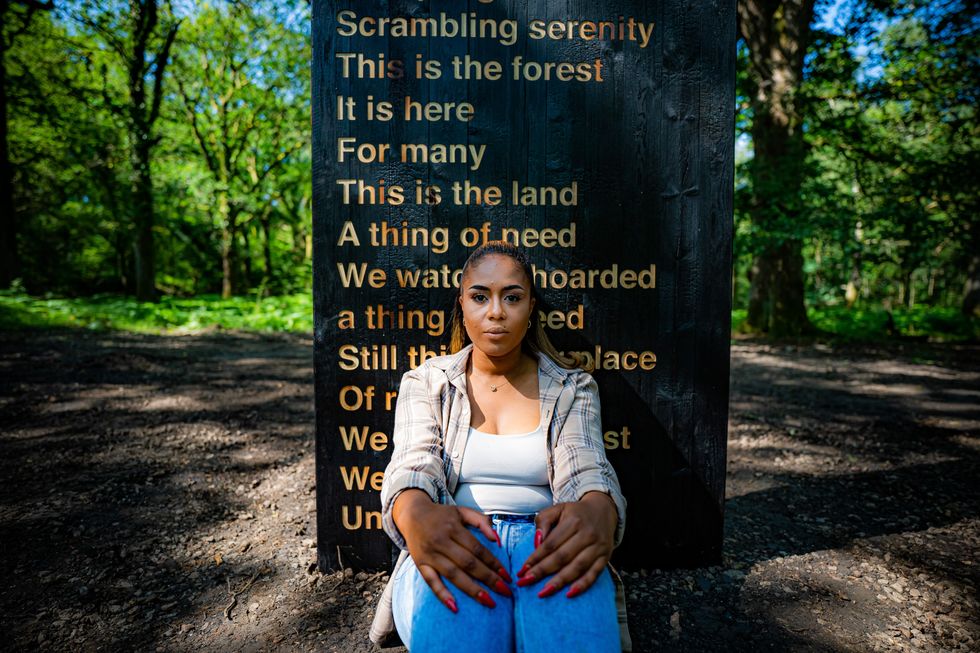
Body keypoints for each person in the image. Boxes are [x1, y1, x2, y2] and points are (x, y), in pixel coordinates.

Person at [368, 241, 630, 652]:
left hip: (548, 545)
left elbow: (586, 467)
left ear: (531, 308)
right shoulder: (427, 382)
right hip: (456, 540)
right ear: (461, 305)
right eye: (479, 297)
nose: (495, 312)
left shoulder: (572, 387)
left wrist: (599, 508)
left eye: (512, 297)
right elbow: (412, 464)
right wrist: (415, 514)